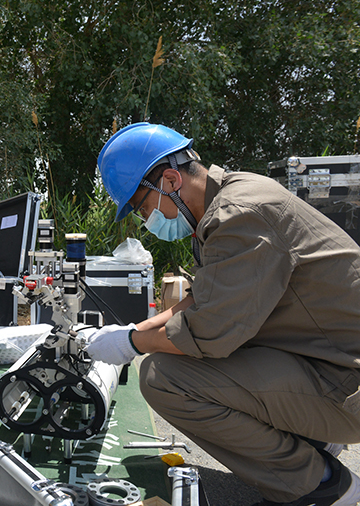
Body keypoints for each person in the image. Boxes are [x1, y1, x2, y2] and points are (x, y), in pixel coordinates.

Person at [89, 122, 360, 506]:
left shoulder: (240, 215)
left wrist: (131, 343)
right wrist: (136, 329)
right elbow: (204, 297)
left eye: (143, 207)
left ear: (169, 180)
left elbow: (207, 330)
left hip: (344, 386)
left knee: (164, 377)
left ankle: (319, 485)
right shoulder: (231, 198)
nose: (147, 221)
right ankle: (312, 440)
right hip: (329, 363)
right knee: (172, 356)